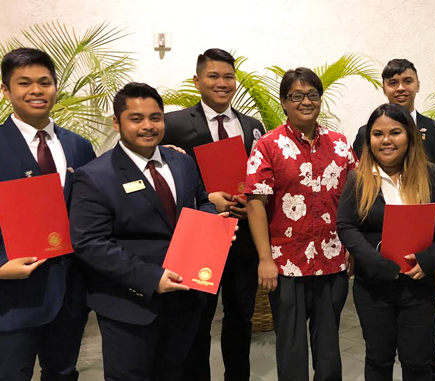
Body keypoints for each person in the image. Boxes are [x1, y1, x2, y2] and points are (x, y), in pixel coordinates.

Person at [69, 82, 227, 381]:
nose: (148, 126)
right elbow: (89, 242)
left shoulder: (181, 161)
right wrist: (150, 277)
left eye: (155, 117)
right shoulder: (95, 176)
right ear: (117, 123)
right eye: (136, 118)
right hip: (130, 305)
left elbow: (203, 202)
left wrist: (213, 229)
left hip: (186, 299)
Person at [245, 67, 357, 381]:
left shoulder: (339, 144)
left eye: (312, 95)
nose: (305, 102)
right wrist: (265, 259)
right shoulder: (267, 145)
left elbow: (354, 197)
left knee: (329, 344)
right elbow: (256, 202)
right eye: (296, 96)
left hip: (332, 260)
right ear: (284, 102)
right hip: (285, 264)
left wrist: (352, 246)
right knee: (292, 348)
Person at [161, 48, 266, 381]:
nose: (222, 83)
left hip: (244, 235)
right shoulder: (173, 124)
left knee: (241, 317)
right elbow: (164, 178)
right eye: (213, 76)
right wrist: (206, 197)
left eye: (228, 76)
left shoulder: (252, 126)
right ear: (197, 81)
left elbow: (259, 176)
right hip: (201, 233)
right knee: (198, 319)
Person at [337, 103, 435, 381]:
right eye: (378, 134)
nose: (386, 140)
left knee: (417, 362)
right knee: (378, 360)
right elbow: (346, 225)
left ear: (410, 136)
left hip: (419, 285)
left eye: (395, 132)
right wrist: (375, 262)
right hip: (374, 287)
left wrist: (432, 258)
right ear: (369, 140)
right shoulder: (359, 178)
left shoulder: (431, 175)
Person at [0, 47, 96, 381]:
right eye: (24, 83)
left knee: (64, 373)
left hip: (70, 291)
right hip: (11, 294)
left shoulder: (79, 147)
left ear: (56, 87)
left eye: (45, 82)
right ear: (6, 90)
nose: (36, 91)